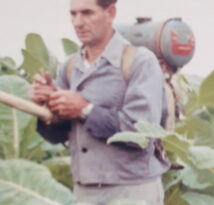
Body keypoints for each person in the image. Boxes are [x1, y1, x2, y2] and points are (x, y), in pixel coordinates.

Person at [29, 0, 170, 204]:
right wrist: (47, 105)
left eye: (87, 13)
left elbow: (142, 134)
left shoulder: (139, 62)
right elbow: (59, 135)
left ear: (110, 13)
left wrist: (84, 109)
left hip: (131, 191)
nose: (78, 22)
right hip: (85, 192)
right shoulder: (69, 67)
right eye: (73, 14)